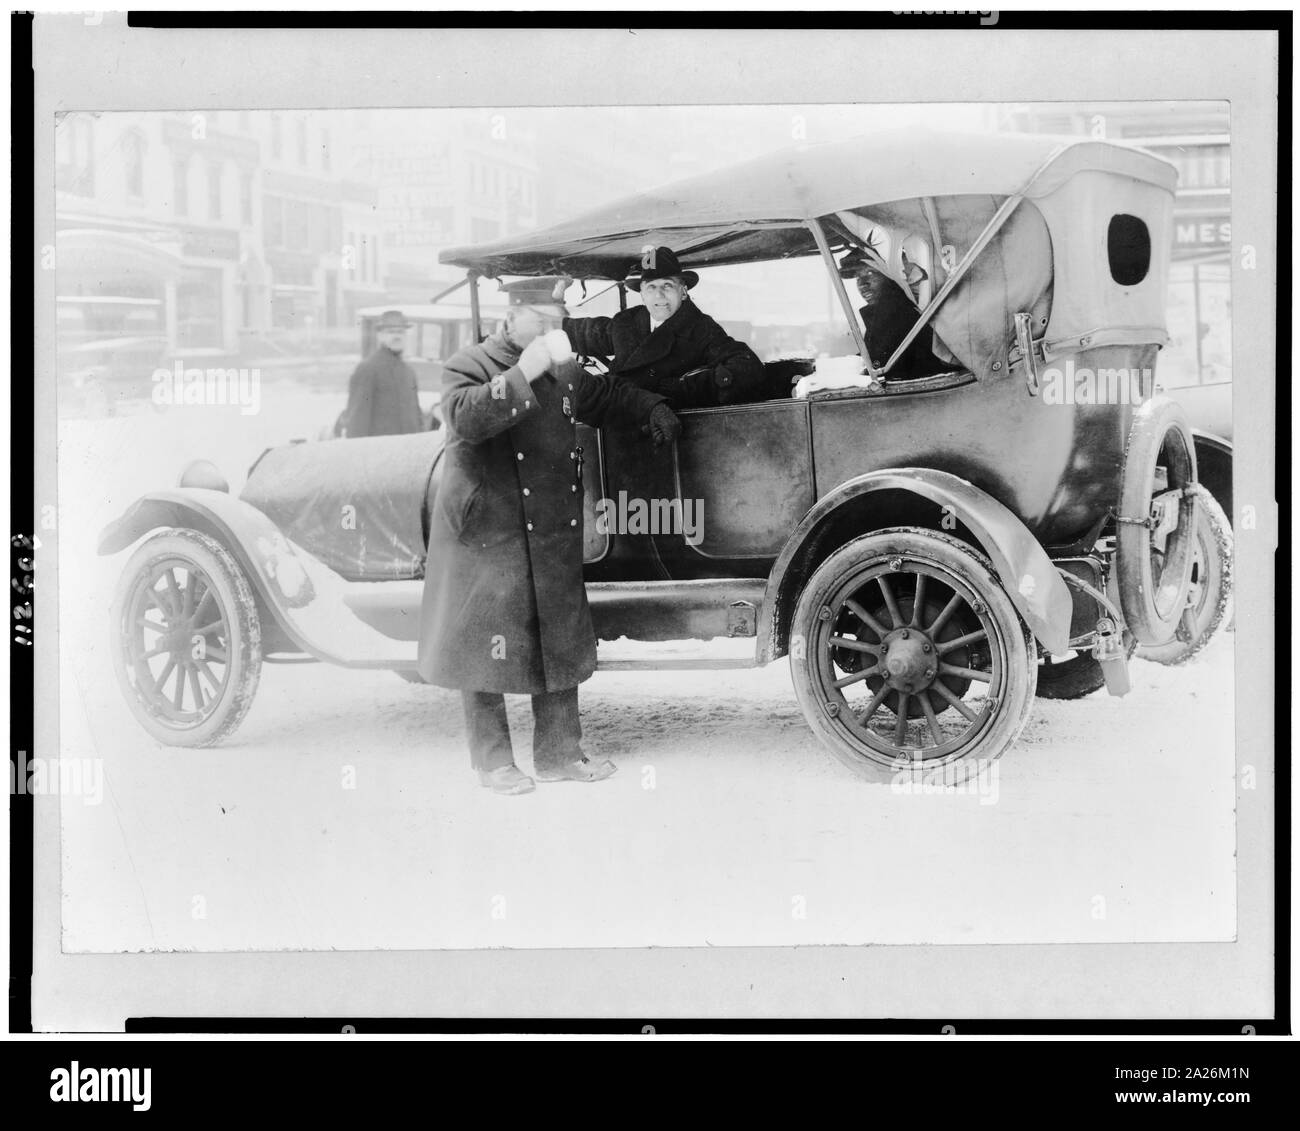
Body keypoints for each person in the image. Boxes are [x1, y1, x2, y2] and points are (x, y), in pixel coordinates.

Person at [416, 277, 681, 795]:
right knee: (483, 649)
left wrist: (651, 407)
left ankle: (559, 755)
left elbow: (604, 395)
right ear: (512, 317)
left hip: (550, 530)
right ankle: (492, 762)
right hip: (487, 536)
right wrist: (523, 373)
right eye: (542, 320)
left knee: (558, 640)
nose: (552, 330)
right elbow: (465, 420)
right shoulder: (469, 364)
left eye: (557, 321)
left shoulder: (565, 370)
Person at [561, 246, 764, 410]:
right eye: (651, 287)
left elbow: (748, 368)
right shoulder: (626, 322)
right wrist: (542, 325)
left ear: (683, 292)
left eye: (667, 285)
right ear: (642, 293)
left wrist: (681, 389)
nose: (658, 295)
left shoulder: (701, 329)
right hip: (618, 427)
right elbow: (583, 332)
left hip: (667, 433)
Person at [337, 309, 425, 437]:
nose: (397, 336)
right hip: (380, 451)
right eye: (391, 332)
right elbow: (357, 420)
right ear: (380, 336)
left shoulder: (409, 372)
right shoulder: (368, 369)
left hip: (407, 451)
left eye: (400, 332)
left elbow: (416, 417)